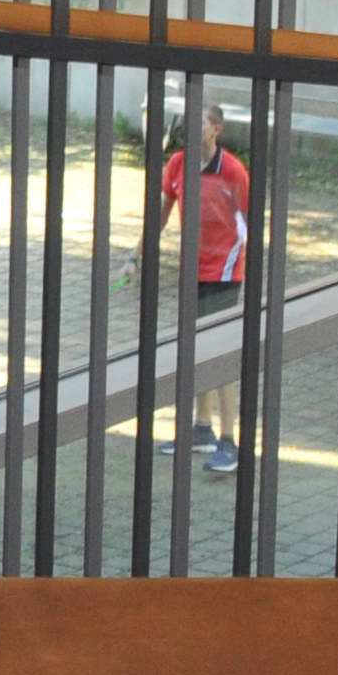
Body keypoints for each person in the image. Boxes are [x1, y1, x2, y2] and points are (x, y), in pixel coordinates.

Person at [141, 97, 253, 476]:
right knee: (195, 349)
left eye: (200, 122)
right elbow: (160, 215)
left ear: (216, 129)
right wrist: (137, 254)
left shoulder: (233, 171)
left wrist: (240, 263)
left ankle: (229, 442)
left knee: (219, 355)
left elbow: (249, 222)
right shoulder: (177, 164)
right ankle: (201, 429)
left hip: (224, 273)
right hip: (191, 270)